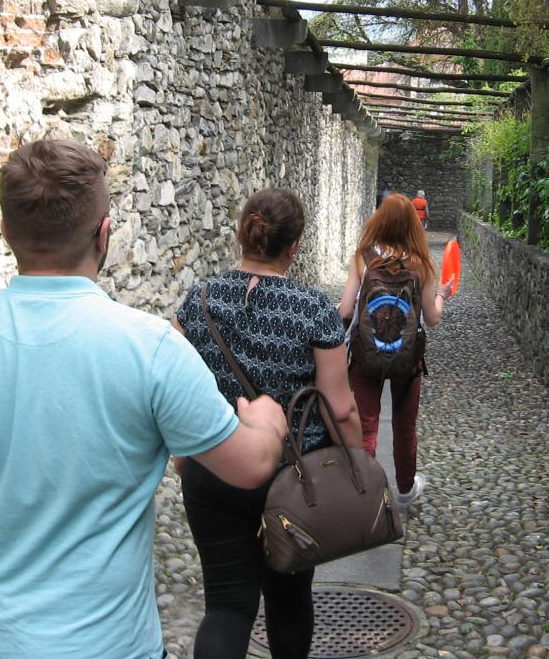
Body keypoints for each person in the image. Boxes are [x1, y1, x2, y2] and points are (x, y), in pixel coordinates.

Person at [0, 139, 287, 659]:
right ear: (104, 234)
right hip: (109, 644)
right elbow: (249, 467)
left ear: (6, 232)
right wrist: (265, 422)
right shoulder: (150, 349)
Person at [172, 188, 363, 659]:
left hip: (214, 466)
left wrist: (182, 456)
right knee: (289, 598)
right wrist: (356, 465)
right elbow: (339, 408)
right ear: (294, 246)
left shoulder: (195, 302)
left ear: (241, 235)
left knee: (225, 604)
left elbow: (173, 392)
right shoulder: (314, 309)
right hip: (293, 480)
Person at [339, 193, 453, 512]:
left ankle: (364, 496)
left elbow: (346, 309)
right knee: (404, 426)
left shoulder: (363, 257)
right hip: (407, 359)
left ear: (379, 219)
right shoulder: (420, 263)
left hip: (365, 354)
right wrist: (442, 294)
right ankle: (404, 490)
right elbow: (432, 318)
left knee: (366, 425)